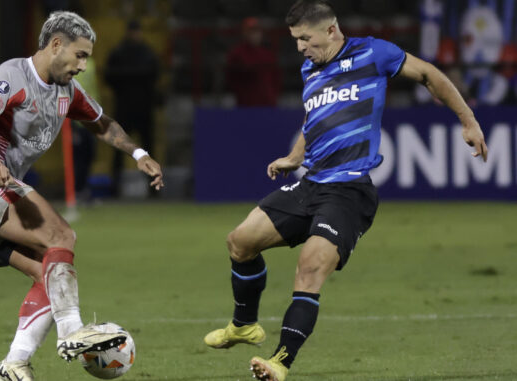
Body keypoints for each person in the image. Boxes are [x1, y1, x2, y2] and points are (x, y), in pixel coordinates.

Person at [203, 1, 488, 380]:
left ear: (331, 30)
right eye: (295, 40)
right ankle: (243, 326)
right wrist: (294, 156)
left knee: (309, 268)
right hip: (311, 182)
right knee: (240, 242)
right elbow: (316, 118)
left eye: (305, 38)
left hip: (348, 191)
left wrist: (467, 120)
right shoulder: (311, 68)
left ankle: (279, 362)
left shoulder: (374, 53)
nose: (300, 48)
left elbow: (429, 74)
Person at [0, 11, 163, 381]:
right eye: (79, 55)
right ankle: (71, 332)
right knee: (62, 236)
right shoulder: (12, 74)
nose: (83, 65)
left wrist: (138, 154)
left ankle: (14, 363)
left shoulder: (67, 91)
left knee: (48, 274)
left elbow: (102, 123)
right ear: (56, 45)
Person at [104, 20, 160, 196]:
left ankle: (154, 188)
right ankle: (115, 188)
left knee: (147, 148)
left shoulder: (144, 53)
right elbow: (110, 76)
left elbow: (153, 74)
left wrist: (127, 76)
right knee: (120, 148)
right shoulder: (123, 53)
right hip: (126, 108)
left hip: (141, 108)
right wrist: (137, 75)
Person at [225, 17, 282, 107]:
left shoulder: (268, 55)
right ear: (244, 33)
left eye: (256, 31)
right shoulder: (237, 54)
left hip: (267, 103)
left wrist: (273, 96)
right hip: (246, 104)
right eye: (251, 31)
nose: (254, 35)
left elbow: (276, 78)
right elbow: (232, 79)